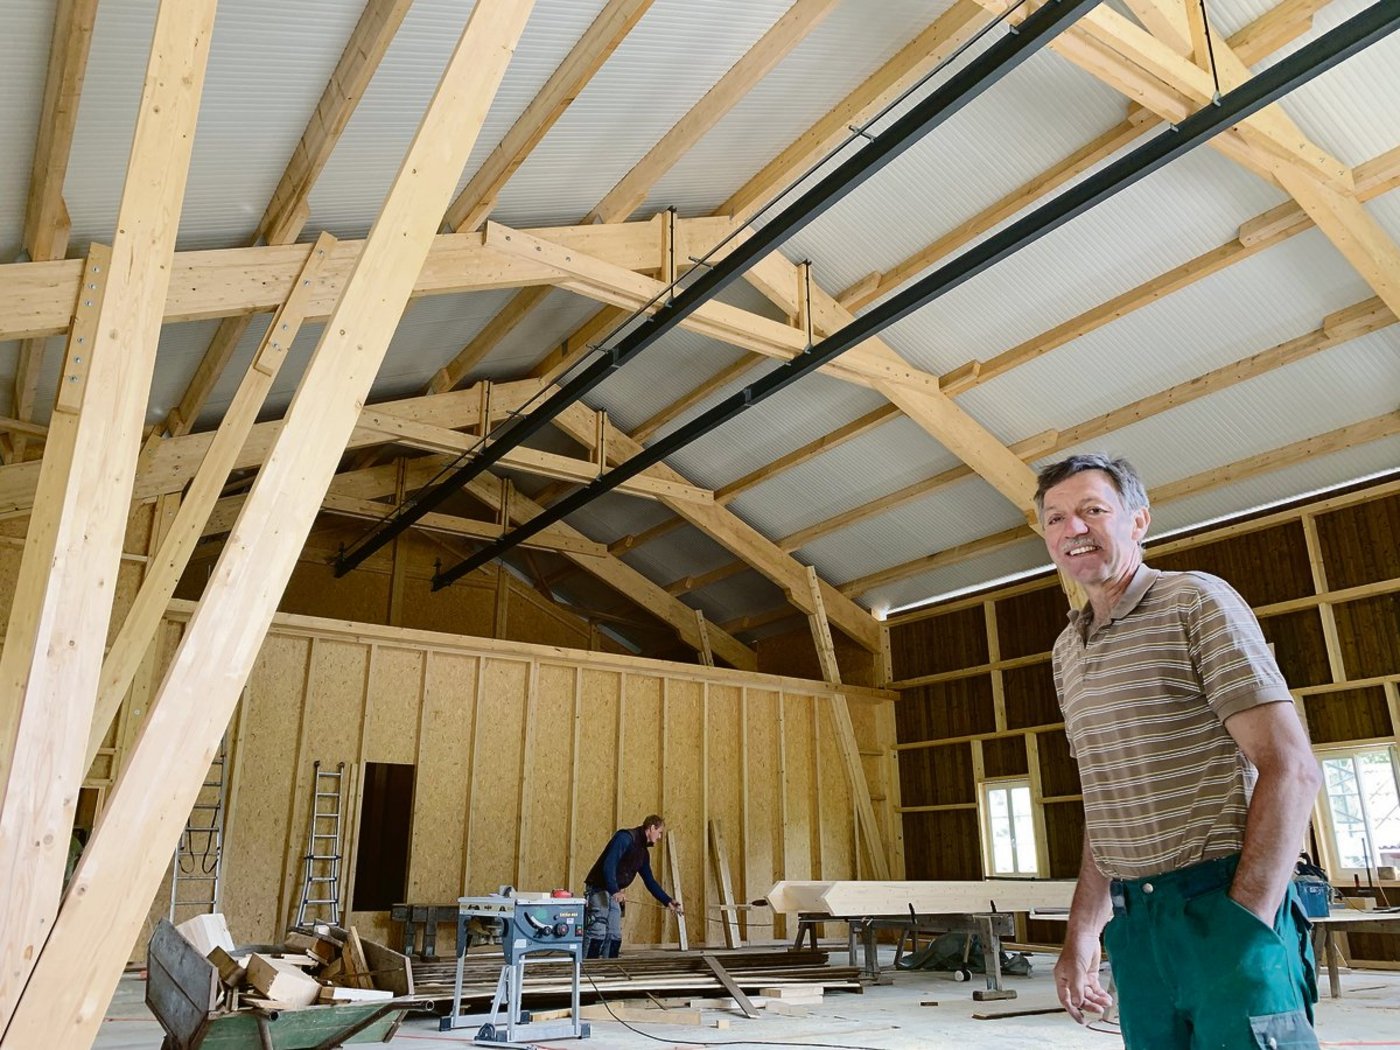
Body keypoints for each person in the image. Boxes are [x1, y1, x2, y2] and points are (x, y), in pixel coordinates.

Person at [1037, 453, 1323, 1050]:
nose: (1074, 528)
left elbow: (1291, 767)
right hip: (1136, 922)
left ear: (1138, 520)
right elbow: (1106, 797)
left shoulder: (1195, 603)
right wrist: (1083, 933)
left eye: (1093, 510)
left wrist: (1245, 917)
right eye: (1056, 518)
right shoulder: (1068, 650)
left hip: (1220, 897)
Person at [582, 814, 683, 958]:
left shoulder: (643, 853)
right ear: (652, 828)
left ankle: (609, 969)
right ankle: (587, 970)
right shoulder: (625, 838)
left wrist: (667, 901)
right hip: (599, 888)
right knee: (598, 930)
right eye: (659, 832)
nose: (660, 837)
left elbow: (650, 882)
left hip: (612, 892)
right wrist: (615, 890)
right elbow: (609, 865)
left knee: (614, 933)